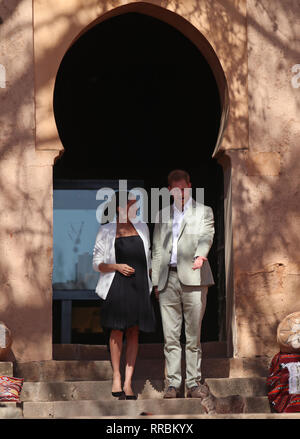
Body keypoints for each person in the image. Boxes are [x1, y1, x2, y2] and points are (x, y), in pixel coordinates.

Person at [151, 169, 215, 398]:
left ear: (190, 185)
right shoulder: (162, 215)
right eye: (176, 189)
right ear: (169, 191)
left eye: (184, 188)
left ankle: (194, 383)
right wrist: (156, 282)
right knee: (170, 336)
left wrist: (200, 255)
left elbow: (207, 234)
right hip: (168, 279)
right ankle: (173, 383)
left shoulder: (203, 211)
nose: (181, 193)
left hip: (195, 278)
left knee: (193, 335)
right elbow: (157, 250)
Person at [92, 190, 155, 399]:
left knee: (134, 332)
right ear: (119, 207)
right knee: (116, 331)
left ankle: (128, 383)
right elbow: (97, 264)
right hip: (116, 285)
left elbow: (149, 258)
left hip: (139, 287)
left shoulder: (143, 227)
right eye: (131, 203)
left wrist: (154, 281)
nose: (135, 206)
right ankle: (116, 377)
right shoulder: (106, 230)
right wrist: (116, 266)